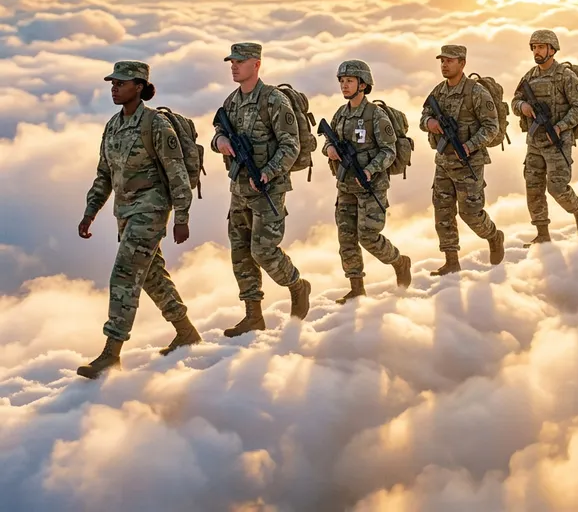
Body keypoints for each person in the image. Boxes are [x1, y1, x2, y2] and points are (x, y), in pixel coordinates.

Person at [77, 61, 201, 379]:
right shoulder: (112, 126)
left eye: (120, 83)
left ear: (139, 86)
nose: (114, 88)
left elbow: (176, 174)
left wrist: (182, 217)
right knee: (151, 275)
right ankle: (186, 331)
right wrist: (90, 212)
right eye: (112, 83)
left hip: (152, 209)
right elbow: (105, 174)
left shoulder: (156, 124)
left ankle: (111, 353)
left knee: (124, 274)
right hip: (126, 211)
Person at [211, 42, 311, 333]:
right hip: (239, 188)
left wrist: (268, 173)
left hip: (269, 190)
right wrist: (221, 143)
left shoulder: (273, 100)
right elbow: (218, 132)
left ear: (256, 64)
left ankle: (296, 284)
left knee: (264, 251)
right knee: (240, 252)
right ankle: (253, 314)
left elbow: (290, 145)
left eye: (239, 61)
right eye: (231, 61)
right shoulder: (231, 101)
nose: (233, 66)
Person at [323, 60, 412, 303]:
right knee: (346, 238)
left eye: (349, 81)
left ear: (363, 84)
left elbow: (389, 150)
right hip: (345, 187)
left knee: (369, 236)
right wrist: (329, 148)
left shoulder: (376, 115)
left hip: (371, 186)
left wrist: (371, 170)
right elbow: (326, 141)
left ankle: (399, 261)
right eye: (342, 81)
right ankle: (356, 287)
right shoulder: (340, 114)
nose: (344, 85)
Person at [420, 45, 505, 275]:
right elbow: (424, 115)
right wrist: (430, 123)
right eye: (442, 61)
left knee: (470, 213)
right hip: (444, 162)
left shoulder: (476, 92)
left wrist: (469, 145)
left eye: (450, 61)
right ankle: (451, 261)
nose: (444, 65)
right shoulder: (438, 91)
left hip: (470, 163)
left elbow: (491, 127)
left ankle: (494, 236)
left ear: (462, 63)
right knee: (443, 212)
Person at [511, 30, 578, 244]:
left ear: (552, 49)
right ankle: (543, 235)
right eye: (534, 47)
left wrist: (560, 126)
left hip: (558, 142)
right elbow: (515, 100)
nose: (536, 51)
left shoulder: (565, 76)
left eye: (541, 47)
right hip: (534, 142)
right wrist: (523, 106)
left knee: (557, 188)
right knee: (533, 187)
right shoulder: (529, 76)